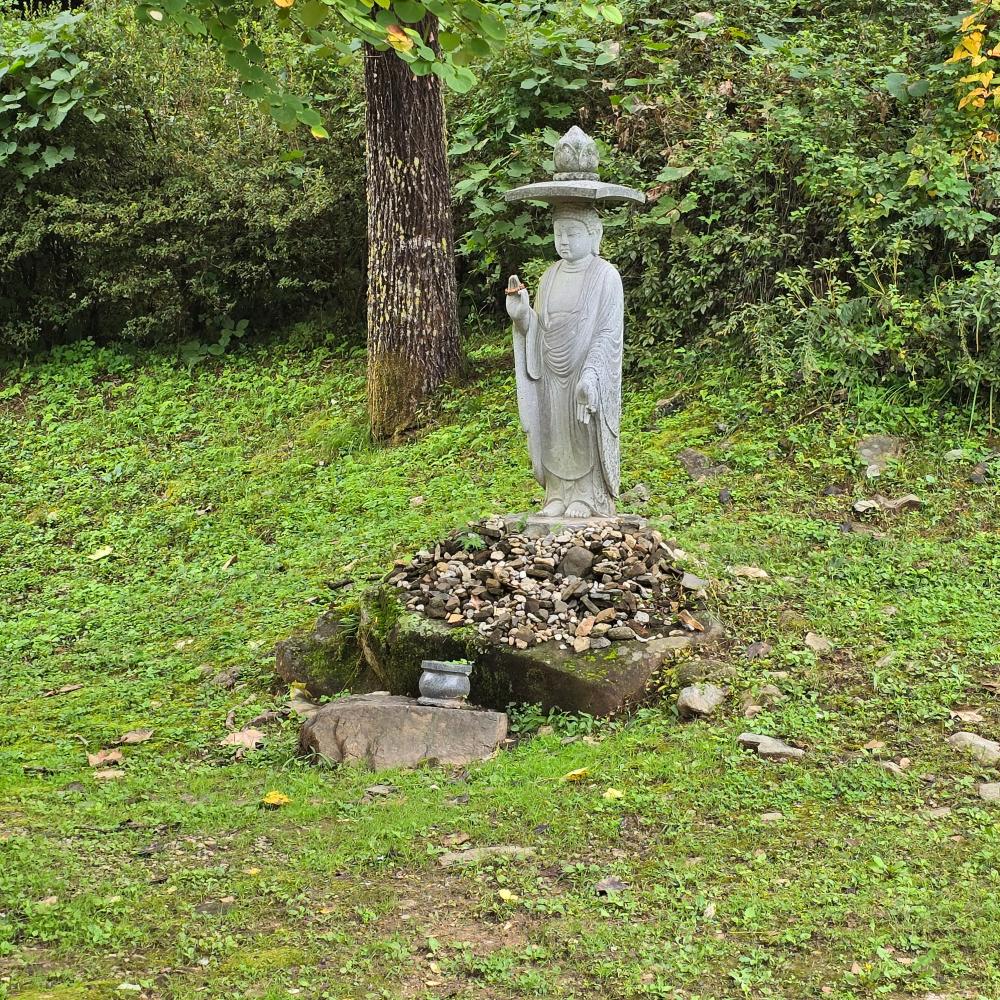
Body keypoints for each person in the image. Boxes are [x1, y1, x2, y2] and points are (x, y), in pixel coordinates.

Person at [506, 203, 623, 518]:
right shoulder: (549, 276)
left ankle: (588, 495)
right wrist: (522, 318)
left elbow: (608, 333)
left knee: (582, 425)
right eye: (559, 233)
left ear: (593, 233)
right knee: (554, 428)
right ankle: (557, 493)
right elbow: (541, 327)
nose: (564, 241)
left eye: (572, 233)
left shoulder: (606, 277)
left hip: (585, 368)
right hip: (551, 370)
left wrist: (592, 374)